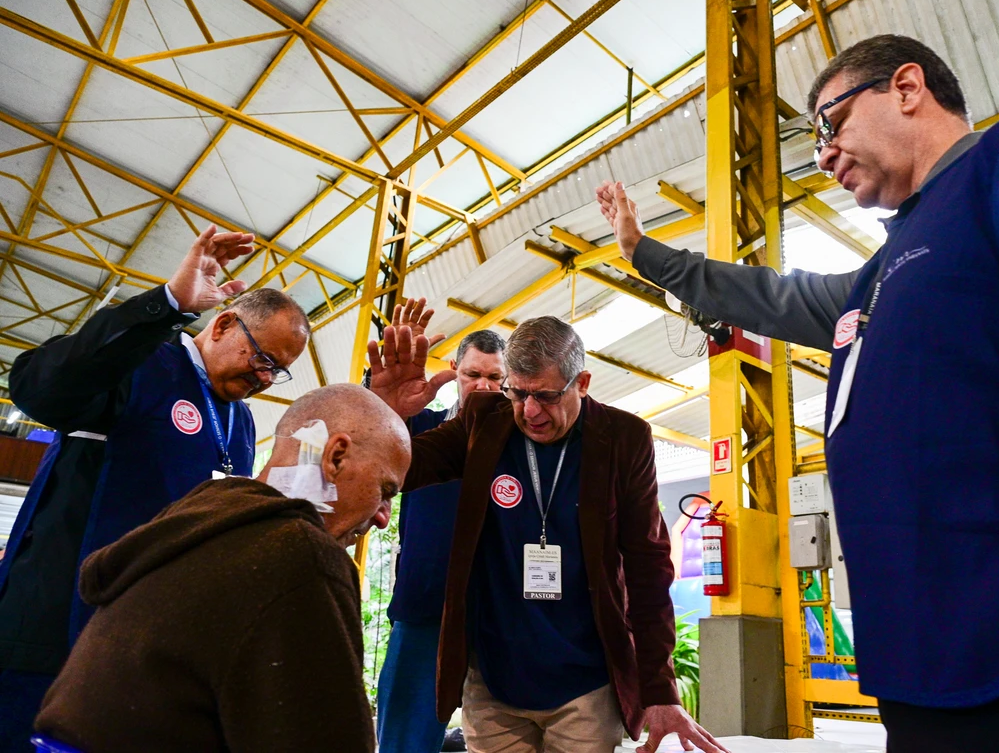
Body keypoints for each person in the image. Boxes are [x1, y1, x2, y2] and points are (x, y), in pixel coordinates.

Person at [595, 34, 999, 752]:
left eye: (829, 123)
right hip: (928, 661)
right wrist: (643, 254)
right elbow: (767, 294)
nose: (821, 155)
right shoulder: (879, 276)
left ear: (907, 87)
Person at [0, 225, 310, 751]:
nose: (264, 377)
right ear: (225, 324)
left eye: (278, 371)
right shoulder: (141, 361)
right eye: (262, 358)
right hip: (52, 629)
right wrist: (167, 305)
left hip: (139, 644)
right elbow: (39, 388)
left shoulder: (238, 422)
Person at [367, 314, 727, 753]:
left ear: (583, 382)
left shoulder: (623, 439)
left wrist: (659, 689)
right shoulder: (485, 421)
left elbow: (648, 570)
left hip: (586, 686)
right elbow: (404, 468)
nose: (530, 412)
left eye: (546, 396)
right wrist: (384, 413)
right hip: (493, 681)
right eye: (517, 393)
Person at [32, 383, 409, 752]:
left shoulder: (200, 521)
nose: (381, 517)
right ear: (336, 456)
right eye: (387, 491)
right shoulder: (300, 553)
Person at [375, 299, 507, 753]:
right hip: (425, 609)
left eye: (495, 378)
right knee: (405, 743)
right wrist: (383, 398)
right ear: (454, 371)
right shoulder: (417, 430)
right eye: (474, 375)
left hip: (501, 616)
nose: (484, 386)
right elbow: (359, 442)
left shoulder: (525, 444)